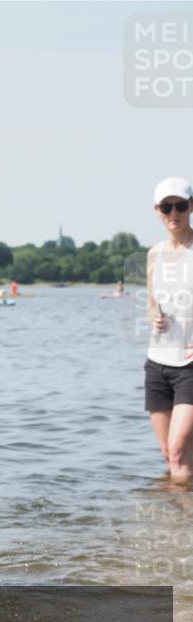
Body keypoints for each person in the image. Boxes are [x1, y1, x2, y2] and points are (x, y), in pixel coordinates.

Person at [145, 176, 193, 483]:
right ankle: (174, 524)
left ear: (191, 207)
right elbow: (151, 300)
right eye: (166, 207)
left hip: (190, 365)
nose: (173, 213)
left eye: (180, 206)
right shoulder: (154, 254)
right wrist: (154, 316)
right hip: (157, 363)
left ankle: (177, 526)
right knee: (169, 453)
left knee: (177, 451)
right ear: (157, 210)